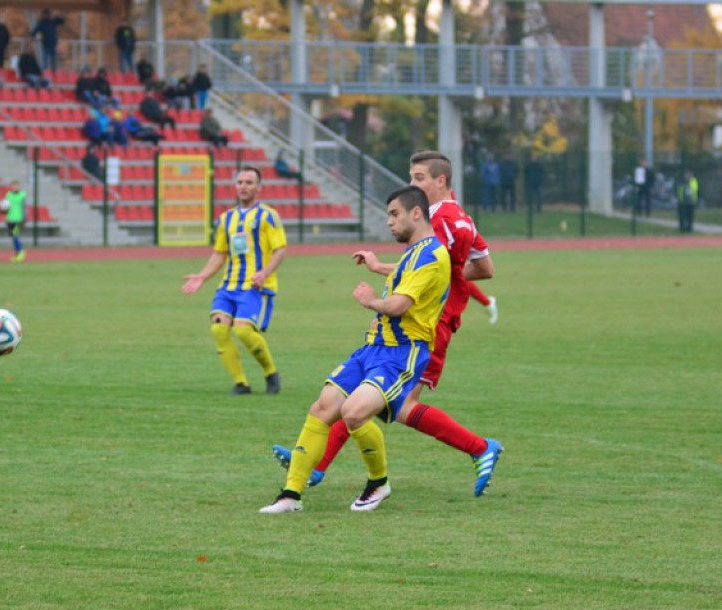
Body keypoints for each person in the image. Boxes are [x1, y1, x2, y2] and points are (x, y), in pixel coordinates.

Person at [272, 151, 503, 496]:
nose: (412, 184)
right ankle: (315, 465)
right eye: (411, 177)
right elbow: (484, 269)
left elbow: (426, 266)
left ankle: (480, 448)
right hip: (431, 318)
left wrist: (401, 282)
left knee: (395, 404)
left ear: (440, 181)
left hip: (426, 324)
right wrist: (441, 279)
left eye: (419, 178)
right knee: (371, 396)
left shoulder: (438, 218)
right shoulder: (462, 217)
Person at [259, 186, 452, 514]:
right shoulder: (416, 251)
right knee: (323, 407)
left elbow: (400, 304)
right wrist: (378, 267)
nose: (389, 222)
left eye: (395, 214)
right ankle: (290, 495)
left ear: (417, 213)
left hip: (402, 352)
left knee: (354, 411)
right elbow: (406, 272)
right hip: (373, 347)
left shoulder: (433, 255)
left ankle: (378, 482)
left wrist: (371, 301)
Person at [182, 166, 286, 395]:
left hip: (254, 286)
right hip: (228, 285)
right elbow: (220, 253)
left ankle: (270, 372)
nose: (243, 186)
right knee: (219, 329)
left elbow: (280, 250)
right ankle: (241, 383)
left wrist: (264, 273)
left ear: (258, 187)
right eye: (240, 182)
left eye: (249, 182)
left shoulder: (268, 215)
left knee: (243, 331)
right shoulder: (226, 218)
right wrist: (202, 276)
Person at [1, 180, 28, 263]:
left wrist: (25, 218)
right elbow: (5, 207)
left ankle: (21, 253)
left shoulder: (22, 195)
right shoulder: (8, 195)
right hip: (10, 219)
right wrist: (3, 209)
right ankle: (17, 254)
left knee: (16, 235)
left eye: (17, 186)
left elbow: (24, 207)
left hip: (18, 219)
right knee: (13, 237)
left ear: (19, 186)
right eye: (14, 186)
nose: (15, 187)